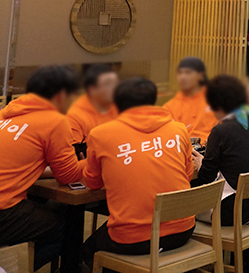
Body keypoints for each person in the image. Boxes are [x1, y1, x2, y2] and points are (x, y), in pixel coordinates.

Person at [81, 78, 195, 268]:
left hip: (134, 239)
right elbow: (187, 175)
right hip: (183, 230)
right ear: (154, 99)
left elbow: (92, 183)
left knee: (84, 251)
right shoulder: (179, 129)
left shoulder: (100, 134)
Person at [193, 75, 249, 273]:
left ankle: (199, 264)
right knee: (240, 192)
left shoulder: (221, 131)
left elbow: (206, 178)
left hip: (232, 213)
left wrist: (201, 164)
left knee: (188, 204)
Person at [0, 65, 84, 269]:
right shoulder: (54, 121)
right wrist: (89, 161)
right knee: (65, 230)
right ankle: (16, 268)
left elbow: (17, 167)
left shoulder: (5, 115)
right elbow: (68, 176)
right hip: (4, 210)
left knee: (46, 210)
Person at [163, 57, 216, 143]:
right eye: (180, 73)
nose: (183, 77)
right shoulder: (170, 106)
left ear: (201, 75)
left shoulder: (215, 99)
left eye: (188, 72)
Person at [67, 64, 119, 144]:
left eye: (116, 83)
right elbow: (75, 150)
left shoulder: (120, 106)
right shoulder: (74, 116)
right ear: (92, 89)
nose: (115, 88)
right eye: (108, 84)